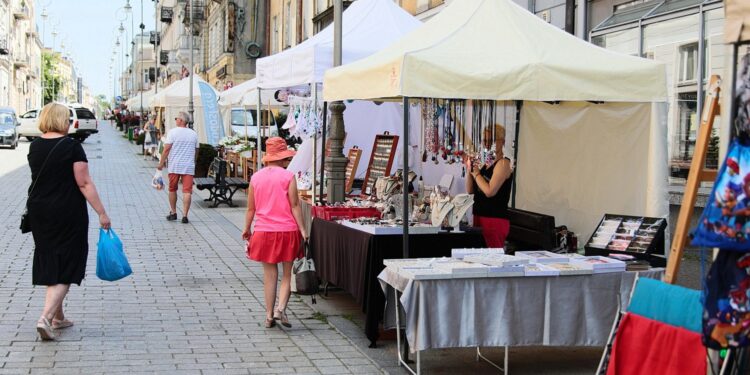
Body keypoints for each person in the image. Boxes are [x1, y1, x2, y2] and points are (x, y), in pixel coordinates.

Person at [27, 103, 111, 340]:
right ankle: (45, 317)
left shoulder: (35, 146)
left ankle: (58, 317)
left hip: (39, 211)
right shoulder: (71, 147)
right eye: (68, 119)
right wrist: (102, 213)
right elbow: (84, 183)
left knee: (52, 257)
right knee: (68, 263)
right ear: (62, 120)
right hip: (66, 210)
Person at [242, 137, 308, 329]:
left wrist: (246, 229)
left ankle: (269, 315)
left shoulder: (256, 178)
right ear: (283, 157)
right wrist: (303, 229)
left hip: (264, 232)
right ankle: (281, 309)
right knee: (287, 274)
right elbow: (295, 205)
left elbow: (250, 209)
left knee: (269, 274)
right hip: (287, 230)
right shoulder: (288, 177)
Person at [464, 124, 514, 248]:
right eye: (484, 140)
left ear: (502, 142)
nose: (486, 144)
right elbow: (470, 190)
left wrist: (476, 174)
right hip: (479, 216)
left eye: (490, 140)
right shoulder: (487, 162)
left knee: (492, 258)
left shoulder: (503, 163)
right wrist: (470, 170)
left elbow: (490, 191)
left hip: (494, 220)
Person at [158, 111, 198, 224]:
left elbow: (166, 149)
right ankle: (185, 215)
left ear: (181, 120)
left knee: (172, 189)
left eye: (176, 118)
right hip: (188, 166)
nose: (175, 120)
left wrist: (161, 164)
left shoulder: (172, 132)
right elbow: (196, 150)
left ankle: (173, 212)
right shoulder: (193, 133)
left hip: (174, 166)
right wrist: (193, 161)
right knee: (187, 191)